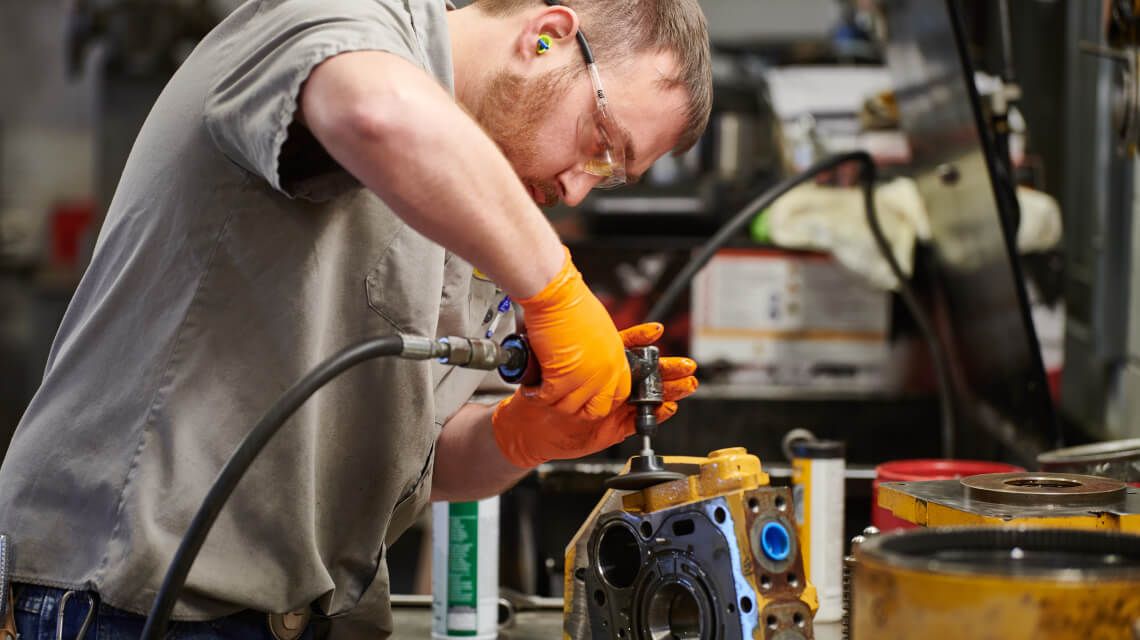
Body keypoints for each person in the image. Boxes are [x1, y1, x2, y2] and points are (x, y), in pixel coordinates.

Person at [0, 0, 711, 637]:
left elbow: (409, 463)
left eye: (612, 176)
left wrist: (524, 437)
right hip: (130, 606)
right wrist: (554, 288)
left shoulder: (480, 207)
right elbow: (373, 112)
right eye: (599, 142)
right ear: (549, 38)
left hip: (307, 615)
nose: (578, 189)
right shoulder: (345, 18)